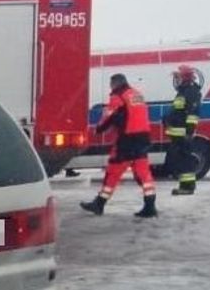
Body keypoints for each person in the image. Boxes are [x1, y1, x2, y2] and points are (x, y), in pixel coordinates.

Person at [81, 73, 157, 217]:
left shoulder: (117, 97)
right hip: (143, 139)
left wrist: (98, 129)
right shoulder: (137, 94)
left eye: (111, 85)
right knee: (144, 173)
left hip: (126, 140)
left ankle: (99, 203)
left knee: (113, 171)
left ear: (115, 84)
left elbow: (108, 116)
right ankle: (150, 205)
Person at [164, 64, 202, 195]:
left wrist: (189, 132)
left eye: (177, 76)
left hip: (183, 134)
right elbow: (178, 111)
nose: (176, 79)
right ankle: (185, 186)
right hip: (178, 134)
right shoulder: (183, 91)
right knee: (180, 160)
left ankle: (187, 187)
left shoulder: (191, 91)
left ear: (185, 77)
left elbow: (193, 113)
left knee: (185, 160)